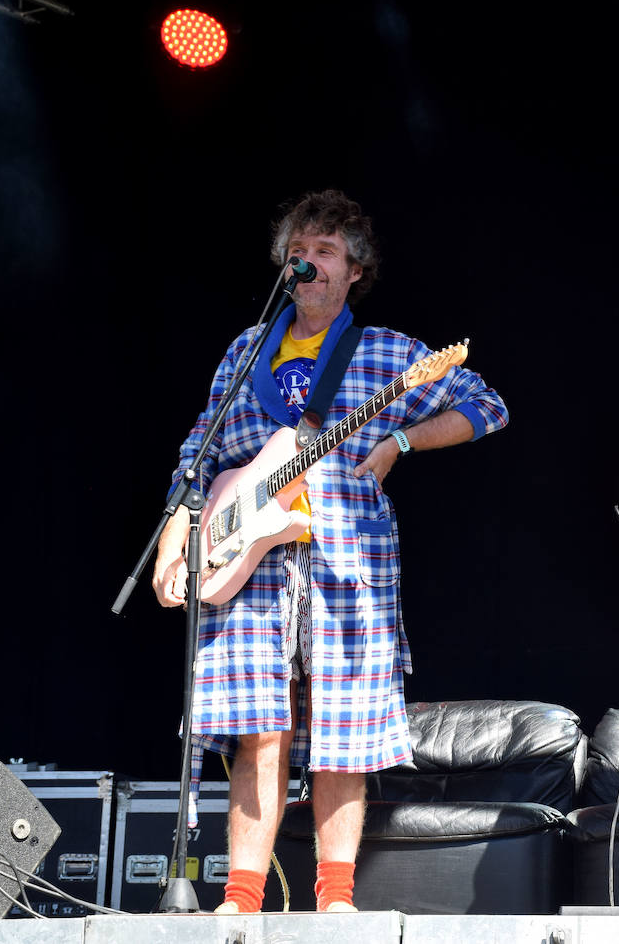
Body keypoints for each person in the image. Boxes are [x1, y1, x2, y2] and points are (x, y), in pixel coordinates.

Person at [151, 189, 509, 914]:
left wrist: (402, 438)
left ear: (354, 272)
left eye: (325, 252)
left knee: (343, 734)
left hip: (350, 569)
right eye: (298, 250)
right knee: (259, 730)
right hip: (246, 565)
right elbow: (200, 453)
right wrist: (173, 542)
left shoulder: (386, 354)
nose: (307, 261)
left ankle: (335, 899)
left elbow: (487, 404)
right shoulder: (246, 350)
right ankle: (241, 901)